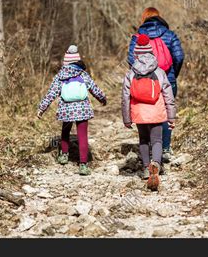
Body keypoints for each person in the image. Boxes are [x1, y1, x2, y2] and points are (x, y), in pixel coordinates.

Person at [38, 45, 107, 176]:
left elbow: (51, 93)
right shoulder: (83, 74)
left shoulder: (60, 76)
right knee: (82, 136)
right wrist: (102, 99)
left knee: (65, 130)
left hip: (66, 109)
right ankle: (83, 164)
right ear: (78, 61)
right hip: (82, 109)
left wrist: (42, 108)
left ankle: (64, 154)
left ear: (65, 61)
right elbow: (94, 89)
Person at [127, 7, 184, 162]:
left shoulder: (137, 36)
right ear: (159, 17)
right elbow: (179, 56)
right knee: (164, 112)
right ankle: (164, 149)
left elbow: (131, 59)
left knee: (145, 110)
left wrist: (141, 74)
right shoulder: (169, 34)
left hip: (143, 81)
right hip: (168, 79)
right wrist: (172, 75)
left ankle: (149, 149)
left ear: (144, 19)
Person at [122, 34, 176, 190]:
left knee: (144, 140)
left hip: (139, 113)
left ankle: (146, 168)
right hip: (156, 112)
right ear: (151, 53)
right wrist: (171, 116)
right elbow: (168, 95)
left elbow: (125, 97)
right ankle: (156, 165)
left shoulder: (131, 73)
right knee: (157, 140)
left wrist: (127, 118)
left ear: (136, 54)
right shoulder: (159, 72)